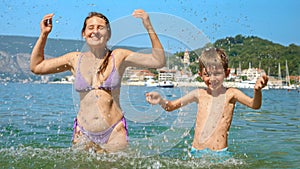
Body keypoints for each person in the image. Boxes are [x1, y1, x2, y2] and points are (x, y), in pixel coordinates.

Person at [30, 9, 165, 153]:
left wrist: (148, 27)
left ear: (108, 34)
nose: (95, 31)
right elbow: (37, 67)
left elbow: (158, 61)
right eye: (91, 27)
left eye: (100, 28)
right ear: (84, 33)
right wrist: (44, 34)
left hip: (114, 131)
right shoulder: (74, 59)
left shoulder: (119, 56)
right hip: (83, 132)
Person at [145, 47, 268, 158]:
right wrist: (160, 100)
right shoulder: (198, 94)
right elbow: (171, 106)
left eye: (217, 73)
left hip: (219, 154)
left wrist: (257, 91)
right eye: (207, 74)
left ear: (227, 73)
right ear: (200, 75)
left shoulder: (231, 94)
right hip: (195, 152)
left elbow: (255, 105)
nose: (212, 78)